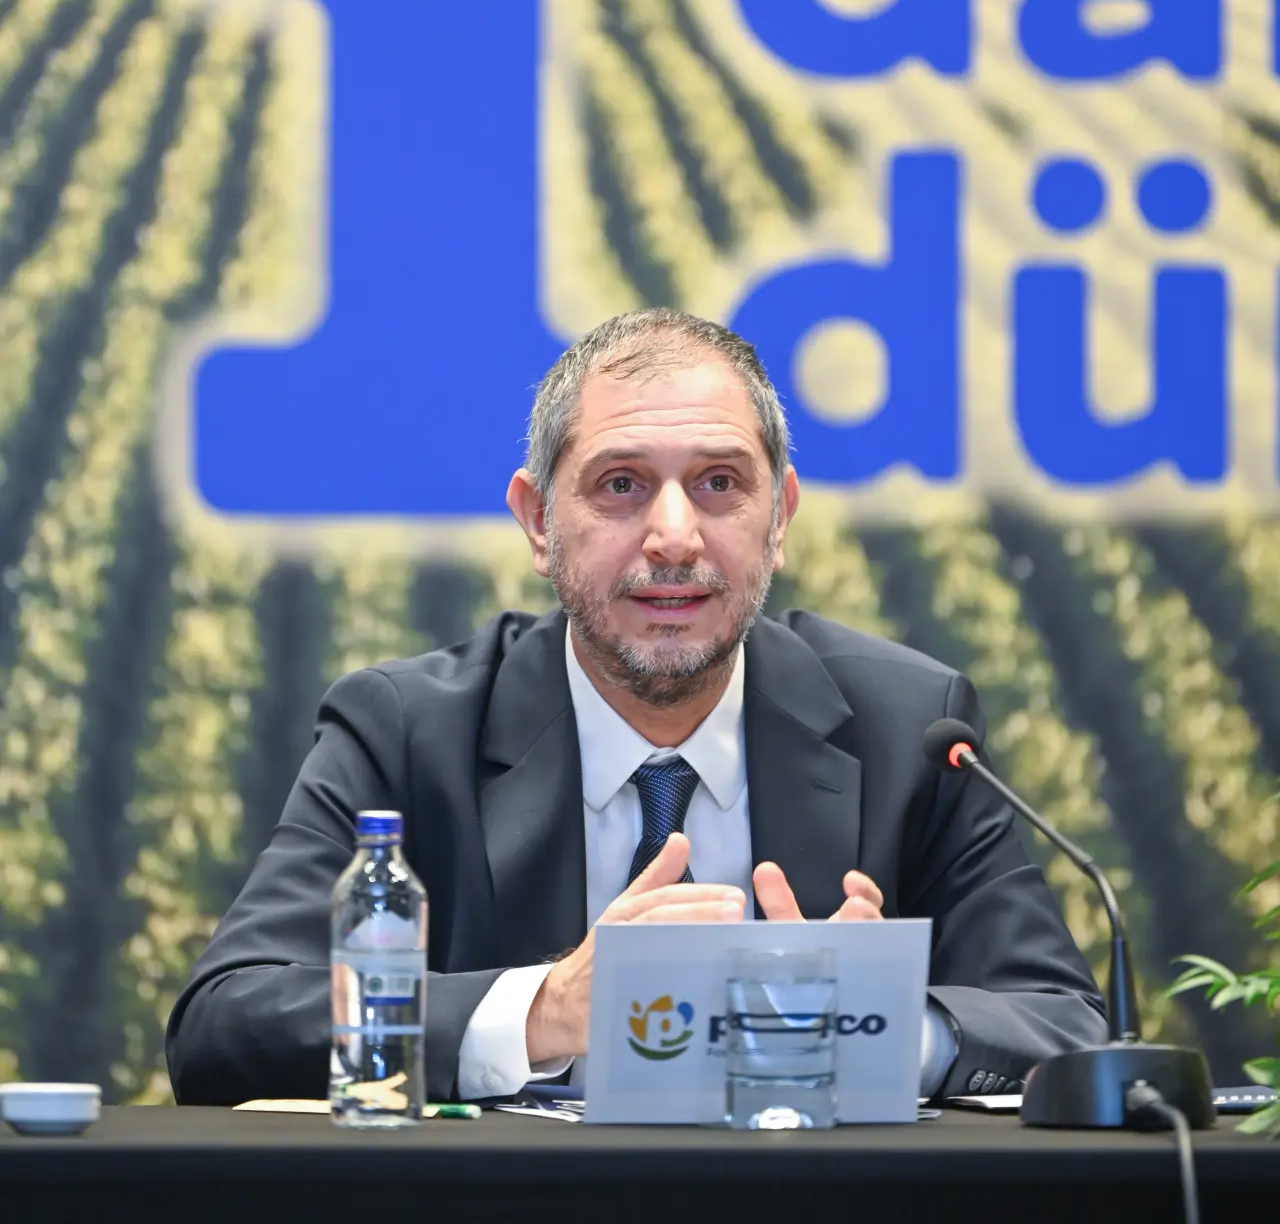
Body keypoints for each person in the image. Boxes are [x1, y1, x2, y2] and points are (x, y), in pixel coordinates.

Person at [167, 310, 1107, 1105]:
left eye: (719, 484)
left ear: (780, 517)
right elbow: (227, 1023)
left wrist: (880, 1026)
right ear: (539, 521)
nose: (674, 536)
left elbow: (1067, 1023)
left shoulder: (911, 729)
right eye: (621, 485)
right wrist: (545, 1011)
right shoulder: (407, 732)